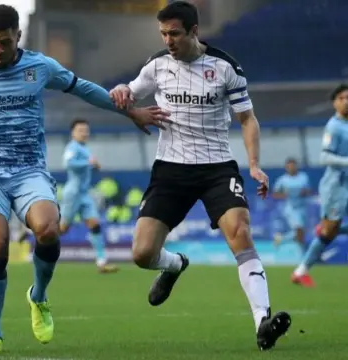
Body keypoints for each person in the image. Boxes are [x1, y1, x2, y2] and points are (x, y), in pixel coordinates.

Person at [0, 4, 170, 355]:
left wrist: (130, 111)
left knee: (48, 230)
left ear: (18, 36)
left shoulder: (40, 67)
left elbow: (83, 89)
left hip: (30, 171)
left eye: (4, 42)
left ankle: (39, 295)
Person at [109, 1, 291, 351]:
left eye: (174, 33)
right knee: (142, 254)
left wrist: (254, 164)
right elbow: (129, 93)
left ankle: (262, 322)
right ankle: (175, 265)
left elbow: (247, 119)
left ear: (194, 31)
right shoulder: (157, 65)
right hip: (171, 169)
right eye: (163, 34)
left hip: (216, 167)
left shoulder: (225, 68)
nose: (168, 40)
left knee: (240, 233)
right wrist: (125, 98)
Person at [291, 84, 348, 287]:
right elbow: (324, 157)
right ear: (335, 103)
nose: (346, 101)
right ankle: (301, 271)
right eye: (341, 98)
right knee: (327, 233)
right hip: (334, 188)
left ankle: (334, 229)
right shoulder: (333, 126)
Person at [60, 118, 119, 273]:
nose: (84, 133)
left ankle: (101, 262)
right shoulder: (72, 147)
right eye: (80, 130)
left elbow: (88, 165)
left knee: (95, 224)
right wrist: (89, 163)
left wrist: (94, 165)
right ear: (73, 133)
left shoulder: (85, 148)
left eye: (86, 130)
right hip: (73, 193)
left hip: (85, 194)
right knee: (62, 229)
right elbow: (69, 164)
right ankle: (30, 233)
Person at [272, 158, 311, 251]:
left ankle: (282, 239)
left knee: (301, 234)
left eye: (294, 165)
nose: (292, 168)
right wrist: (285, 195)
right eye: (290, 166)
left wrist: (304, 192)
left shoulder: (303, 177)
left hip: (303, 207)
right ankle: (305, 256)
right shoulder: (283, 179)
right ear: (286, 167)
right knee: (299, 229)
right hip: (291, 208)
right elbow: (275, 194)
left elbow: (308, 190)